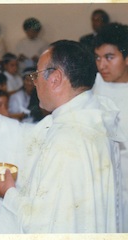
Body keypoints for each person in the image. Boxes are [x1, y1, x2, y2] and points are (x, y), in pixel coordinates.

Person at [0, 40, 123, 233]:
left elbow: (44, 224)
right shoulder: (90, 117)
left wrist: (8, 193)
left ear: (55, 78)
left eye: (36, 75)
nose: (34, 83)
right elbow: (30, 137)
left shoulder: (67, 139)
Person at [93, 22, 128, 233]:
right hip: (101, 182)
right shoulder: (96, 83)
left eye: (109, 57)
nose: (101, 65)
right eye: (97, 58)